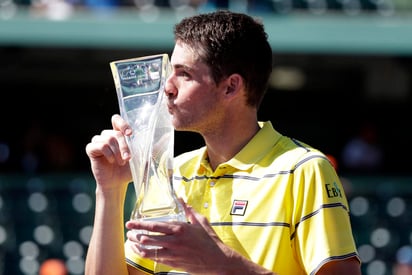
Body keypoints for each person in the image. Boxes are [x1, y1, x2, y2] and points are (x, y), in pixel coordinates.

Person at [85, 10, 361, 275]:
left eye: (184, 74)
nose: (167, 87)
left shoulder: (303, 169)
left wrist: (221, 263)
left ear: (231, 86)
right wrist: (109, 190)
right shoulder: (171, 173)